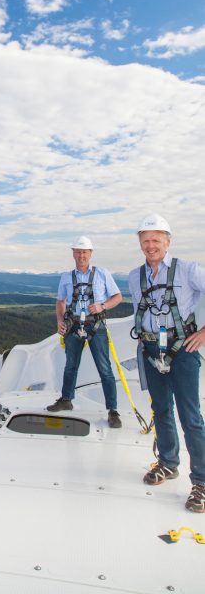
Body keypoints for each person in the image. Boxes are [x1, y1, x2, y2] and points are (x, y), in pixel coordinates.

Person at [129, 213, 205, 513]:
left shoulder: (187, 270)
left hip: (182, 348)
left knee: (190, 416)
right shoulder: (136, 275)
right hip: (150, 349)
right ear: (140, 243)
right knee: (161, 409)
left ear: (168, 241)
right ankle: (168, 463)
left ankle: (201, 481)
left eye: (156, 240)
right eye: (145, 240)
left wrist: (203, 332)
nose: (151, 246)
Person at [47, 236, 123, 428]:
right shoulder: (66, 277)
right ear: (73, 253)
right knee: (70, 365)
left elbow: (118, 297)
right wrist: (59, 321)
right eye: (78, 252)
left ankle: (112, 411)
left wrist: (102, 306)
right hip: (73, 325)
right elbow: (60, 301)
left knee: (104, 368)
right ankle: (66, 399)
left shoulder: (102, 274)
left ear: (91, 254)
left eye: (84, 252)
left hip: (96, 325)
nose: (81, 255)